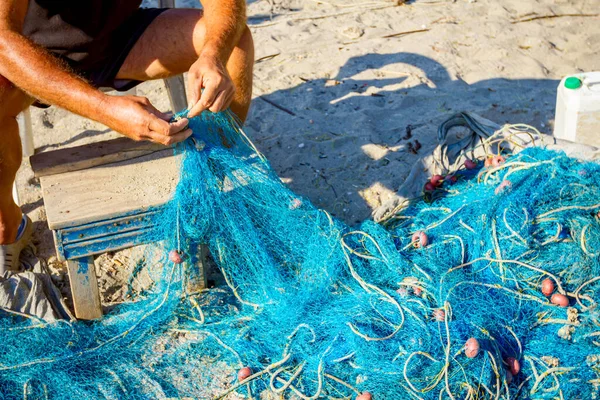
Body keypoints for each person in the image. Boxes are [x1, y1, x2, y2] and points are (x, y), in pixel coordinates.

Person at [0, 0, 254, 272]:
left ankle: (208, 184)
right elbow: (3, 41)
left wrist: (212, 54)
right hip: (28, 53)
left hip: (118, 39)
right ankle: (8, 226)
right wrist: (104, 109)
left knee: (233, 42)